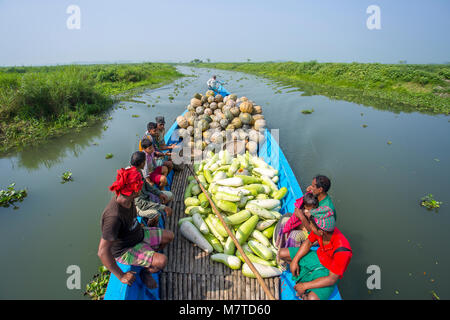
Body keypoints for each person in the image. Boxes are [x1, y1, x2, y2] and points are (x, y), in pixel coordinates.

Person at [98, 165, 174, 289]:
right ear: (134, 191)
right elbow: (102, 252)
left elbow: (132, 219)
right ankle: (146, 272)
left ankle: (148, 262)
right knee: (162, 261)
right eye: (140, 184)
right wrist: (121, 276)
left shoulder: (129, 199)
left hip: (138, 233)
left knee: (169, 236)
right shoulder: (113, 217)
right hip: (125, 249)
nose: (142, 185)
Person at [280, 207, 352, 300]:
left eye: (311, 225)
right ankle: (304, 283)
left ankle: (304, 286)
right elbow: (308, 242)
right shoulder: (320, 231)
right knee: (282, 253)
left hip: (328, 271)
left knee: (312, 298)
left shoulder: (343, 251)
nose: (309, 227)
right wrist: (295, 260)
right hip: (317, 257)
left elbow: (331, 279)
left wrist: (304, 286)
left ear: (321, 232)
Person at [130, 151, 173, 227]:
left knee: (170, 195)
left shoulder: (138, 171)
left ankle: (159, 207)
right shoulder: (132, 179)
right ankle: (151, 228)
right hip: (138, 206)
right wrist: (163, 207)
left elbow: (146, 185)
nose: (146, 163)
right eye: (145, 161)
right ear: (141, 163)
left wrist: (159, 193)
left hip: (147, 198)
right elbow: (141, 204)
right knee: (155, 214)